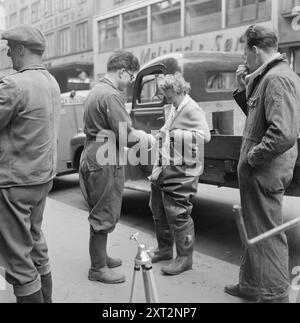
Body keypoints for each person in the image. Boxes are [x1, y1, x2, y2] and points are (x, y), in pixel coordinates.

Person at [225, 25, 300, 303]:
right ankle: (251, 285)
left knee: (267, 233)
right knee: (254, 228)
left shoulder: (278, 79)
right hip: (260, 171)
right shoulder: (267, 77)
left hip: (265, 170)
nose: (244, 58)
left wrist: (253, 158)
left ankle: (275, 294)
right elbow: (259, 118)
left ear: (255, 50)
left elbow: (283, 132)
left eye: (245, 51)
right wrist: (246, 87)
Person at [79, 51, 154, 284]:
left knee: (100, 209)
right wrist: (145, 137)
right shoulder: (112, 95)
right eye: (131, 77)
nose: (131, 82)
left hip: (93, 153)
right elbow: (126, 136)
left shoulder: (97, 89)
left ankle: (102, 257)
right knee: (104, 213)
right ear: (122, 71)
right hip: (105, 157)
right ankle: (98, 268)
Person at [0, 25, 61, 303]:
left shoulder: (14, 84)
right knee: (36, 243)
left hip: (14, 183)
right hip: (41, 179)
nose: (9, 53)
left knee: (18, 260)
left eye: (11, 48)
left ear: (21, 49)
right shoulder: (51, 81)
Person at [149, 73, 211, 276]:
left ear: (178, 91)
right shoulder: (177, 106)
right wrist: (163, 132)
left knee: (178, 212)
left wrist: (174, 135)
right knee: (158, 207)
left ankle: (185, 258)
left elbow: (205, 136)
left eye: (168, 95)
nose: (167, 99)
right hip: (167, 164)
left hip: (183, 168)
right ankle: (165, 249)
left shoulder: (192, 108)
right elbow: (170, 127)